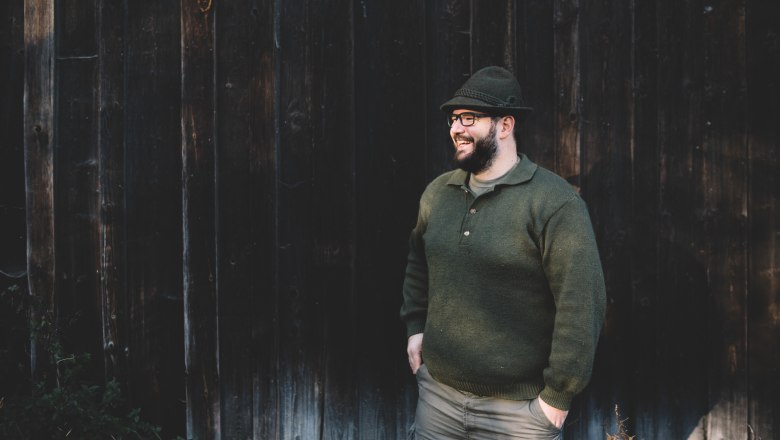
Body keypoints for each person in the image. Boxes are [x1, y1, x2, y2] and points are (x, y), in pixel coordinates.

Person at [400, 66, 606, 439]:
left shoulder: (553, 203)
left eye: (469, 118)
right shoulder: (437, 194)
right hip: (437, 398)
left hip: (517, 415)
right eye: (453, 118)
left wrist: (557, 397)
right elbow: (419, 264)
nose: (455, 129)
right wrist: (416, 326)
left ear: (505, 125)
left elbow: (582, 302)